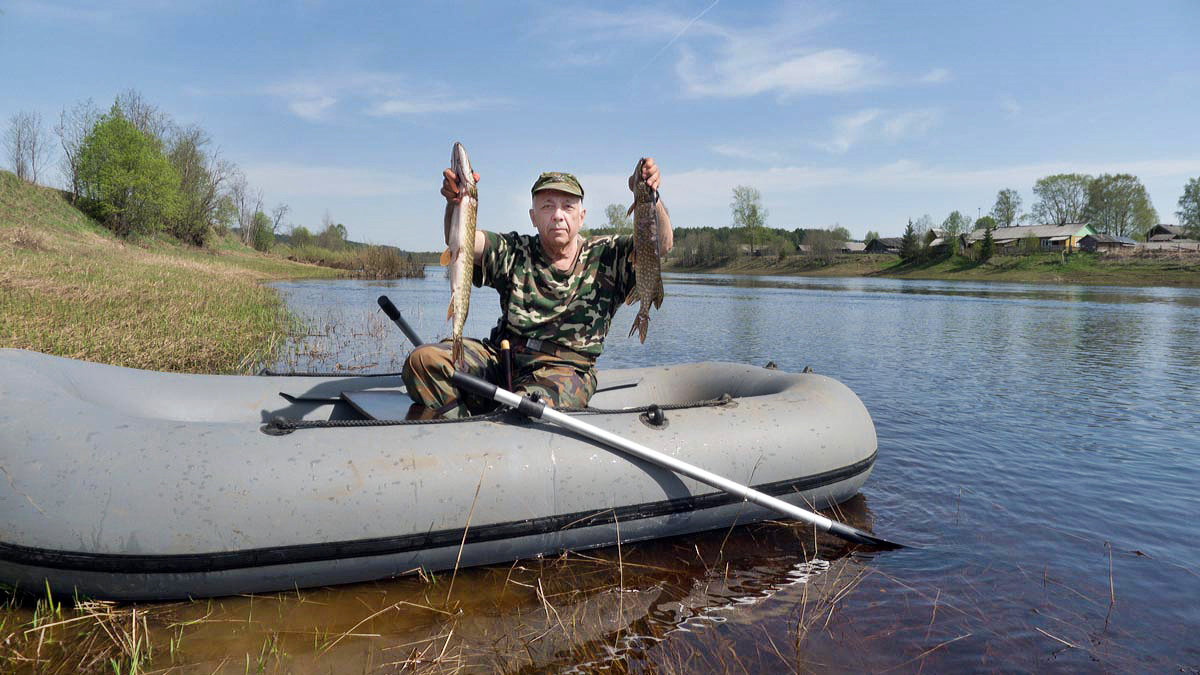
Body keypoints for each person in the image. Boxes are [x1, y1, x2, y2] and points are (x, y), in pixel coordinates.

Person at [402, 158, 673, 419]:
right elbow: (463, 242)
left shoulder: (607, 254)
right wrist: (457, 203)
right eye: (547, 206)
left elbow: (660, 244)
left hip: (566, 370)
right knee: (423, 361)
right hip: (504, 357)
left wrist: (650, 196)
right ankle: (465, 434)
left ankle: (500, 426)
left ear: (582, 216)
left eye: (567, 207)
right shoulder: (516, 251)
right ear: (533, 216)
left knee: (527, 406)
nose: (557, 215)